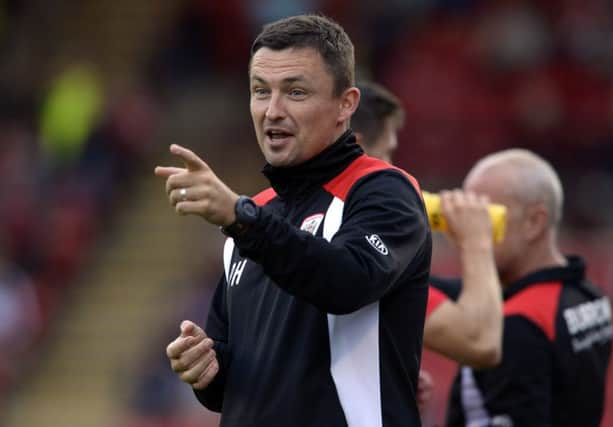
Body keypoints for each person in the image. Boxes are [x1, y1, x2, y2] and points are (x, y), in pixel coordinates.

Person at [154, 15, 431, 427]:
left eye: (295, 92)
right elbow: (237, 379)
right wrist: (205, 369)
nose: (273, 111)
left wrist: (241, 218)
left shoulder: (384, 192)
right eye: (260, 92)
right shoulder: (251, 218)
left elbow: (347, 282)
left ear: (346, 105)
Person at [440, 149, 613, 427]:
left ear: (535, 222)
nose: (469, 230)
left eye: (484, 218)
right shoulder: (588, 295)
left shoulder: (518, 325)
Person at [352, 81, 503, 369]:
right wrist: (476, 242)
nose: (393, 170)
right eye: (386, 154)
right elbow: (481, 342)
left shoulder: (284, 217)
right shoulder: (364, 250)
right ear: (357, 149)